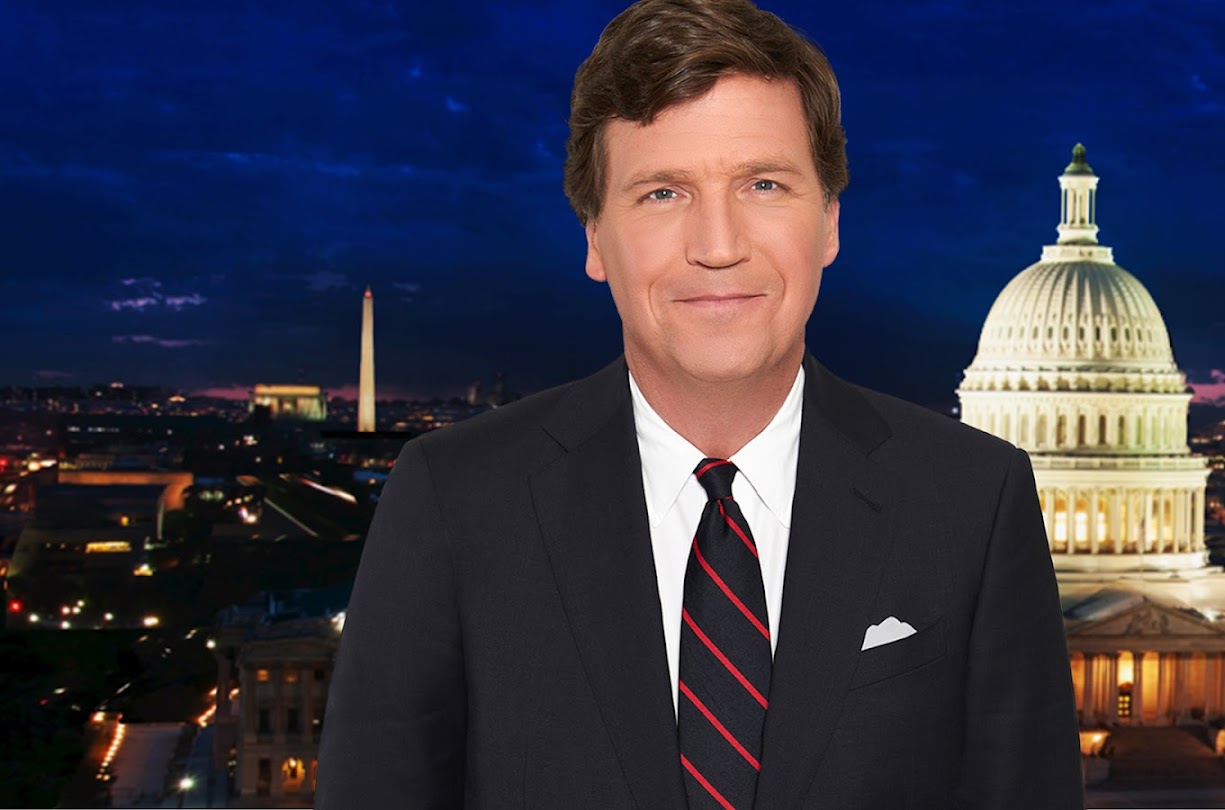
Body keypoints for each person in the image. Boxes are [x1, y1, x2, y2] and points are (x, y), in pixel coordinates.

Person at [316, 0, 1084, 807]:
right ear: (593, 237)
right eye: (662, 193)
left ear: (829, 223)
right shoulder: (452, 501)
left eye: (764, 184)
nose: (718, 246)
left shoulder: (973, 500)